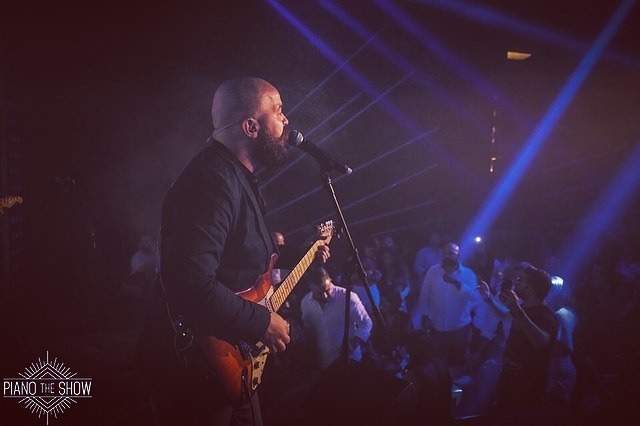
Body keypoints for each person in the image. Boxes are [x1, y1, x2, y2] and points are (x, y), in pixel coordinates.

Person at [148, 77, 329, 426]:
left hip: (231, 363)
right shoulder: (210, 182)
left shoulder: (236, 177)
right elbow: (189, 284)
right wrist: (261, 321)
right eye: (278, 110)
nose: (286, 120)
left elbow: (245, 260)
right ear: (251, 127)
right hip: (198, 373)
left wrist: (304, 252)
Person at [493, 264, 559, 418]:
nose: (515, 282)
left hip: (529, 388)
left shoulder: (546, 315)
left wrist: (517, 310)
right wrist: (506, 357)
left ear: (530, 289)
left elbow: (541, 341)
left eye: (519, 280)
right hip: (510, 383)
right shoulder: (524, 308)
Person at [413, 242, 479, 384]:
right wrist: (425, 314)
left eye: (451, 253)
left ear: (458, 255)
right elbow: (425, 294)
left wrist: (457, 283)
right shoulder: (433, 271)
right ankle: (441, 388)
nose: (446, 256)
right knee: (438, 361)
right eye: (444, 253)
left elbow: (475, 297)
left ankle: (457, 391)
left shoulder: (467, 274)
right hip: (437, 326)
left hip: (459, 327)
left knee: (459, 361)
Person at [300, 266, 373, 371]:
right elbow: (309, 331)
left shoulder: (348, 297)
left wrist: (353, 343)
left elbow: (366, 323)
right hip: (324, 364)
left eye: (327, 290)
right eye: (319, 293)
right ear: (310, 288)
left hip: (350, 362)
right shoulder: (305, 303)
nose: (325, 296)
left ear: (330, 280)